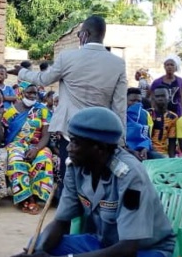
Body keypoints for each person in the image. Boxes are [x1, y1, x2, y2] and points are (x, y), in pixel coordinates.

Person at [8, 107, 175, 257]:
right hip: (105, 244)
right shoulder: (75, 166)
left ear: (99, 147)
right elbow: (62, 221)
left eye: (76, 142)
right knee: (37, 249)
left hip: (148, 254)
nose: (70, 148)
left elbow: (127, 249)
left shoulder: (130, 174)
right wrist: (39, 253)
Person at [10, 15, 127, 201]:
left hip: (71, 133)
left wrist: (22, 72)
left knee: (70, 182)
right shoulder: (117, 63)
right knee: (97, 183)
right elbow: (120, 106)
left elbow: (43, 79)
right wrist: (120, 140)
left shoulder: (68, 57)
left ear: (85, 35)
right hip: (101, 136)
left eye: (80, 33)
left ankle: (70, 222)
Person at [5, 82, 54, 215]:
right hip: (17, 144)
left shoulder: (43, 110)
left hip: (38, 144)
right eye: (29, 92)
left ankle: (38, 195)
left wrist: (37, 149)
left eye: (35, 93)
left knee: (44, 159)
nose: (32, 95)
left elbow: (46, 135)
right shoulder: (12, 110)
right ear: (22, 93)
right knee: (16, 160)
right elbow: (5, 131)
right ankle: (26, 198)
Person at [148, 87, 178, 158]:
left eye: (163, 96)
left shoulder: (172, 117)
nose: (160, 98)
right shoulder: (148, 114)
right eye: (157, 96)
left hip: (164, 153)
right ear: (153, 98)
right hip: (148, 151)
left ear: (169, 98)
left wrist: (172, 159)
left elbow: (172, 140)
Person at [126, 87, 153, 161]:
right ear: (125, 101)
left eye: (139, 101)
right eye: (132, 100)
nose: (136, 103)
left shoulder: (145, 114)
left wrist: (145, 148)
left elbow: (147, 136)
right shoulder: (120, 114)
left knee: (159, 158)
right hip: (125, 151)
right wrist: (132, 152)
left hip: (141, 150)